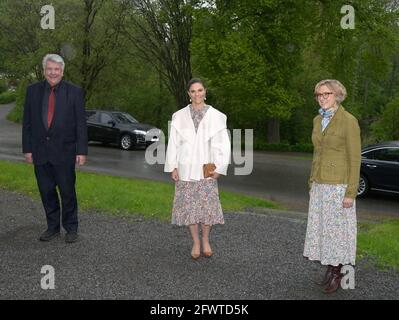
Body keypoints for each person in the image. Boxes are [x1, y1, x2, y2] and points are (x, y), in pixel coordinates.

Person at [22, 54, 88, 243]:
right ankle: (52, 227)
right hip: (40, 152)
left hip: (65, 153)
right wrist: (27, 149)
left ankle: (71, 228)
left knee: (67, 192)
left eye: (56, 69)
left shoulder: (74, 92)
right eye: (49, 69)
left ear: (62, 71)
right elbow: (27, 123)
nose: (53, 72)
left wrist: (81, 151)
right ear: (44, 71)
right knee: (46, 191)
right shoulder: (32, 91)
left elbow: (81, 124)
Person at [303, 79, 361, 294]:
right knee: (323, 230)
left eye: (326, 94)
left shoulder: (348, 121)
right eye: (319, 94)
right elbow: (317, 154)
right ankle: (330, 267)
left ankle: (338, 273)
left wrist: (350, 192)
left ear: (337, 95)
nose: (322, 98)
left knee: (337, 232)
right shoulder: (318, 120)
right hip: (320, 184)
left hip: (339, 186)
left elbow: (355, 159)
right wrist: (311, 182)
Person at [164, 78, 231, 260]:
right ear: (188, 94)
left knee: (207, 208)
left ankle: (206, 240)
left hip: (207, 167)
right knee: (190, 208)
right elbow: (173, 144)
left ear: (205, 91)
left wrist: (220, 166)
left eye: (200, 90)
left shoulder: (217, 116)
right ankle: (195, 241)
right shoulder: (179, 116)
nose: (197, 94)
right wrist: (173, 166)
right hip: (186, 168)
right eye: (193, 91)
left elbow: (223, 145)